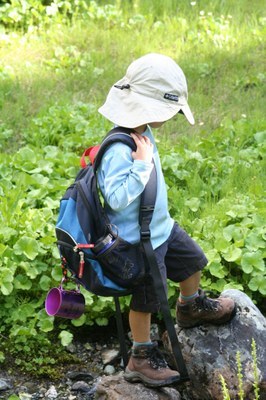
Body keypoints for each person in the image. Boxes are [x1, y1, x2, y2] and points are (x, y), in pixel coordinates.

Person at [97, 53, 236, 388]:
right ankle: (140, 356)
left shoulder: (142, 131)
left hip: (162, 229)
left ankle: (190, 306)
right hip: (137, 242)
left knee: (193, 261)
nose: (170, 117)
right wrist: (142, 165)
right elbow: (116, 198)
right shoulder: (117, 148)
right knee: (145, 300)